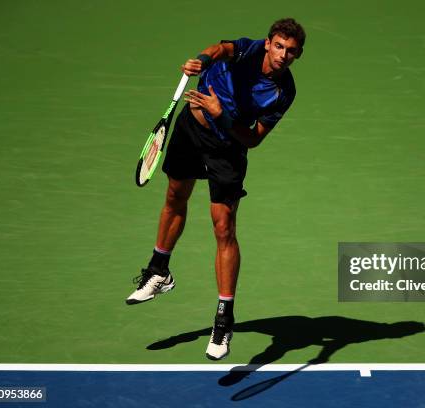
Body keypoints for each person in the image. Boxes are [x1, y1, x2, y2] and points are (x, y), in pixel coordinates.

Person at [125, 18, 306, 361]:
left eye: (292, 51)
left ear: (298, 55)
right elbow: (221, 49)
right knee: (175, 196)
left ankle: (224, 320)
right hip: (190, 130)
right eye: (279, 46)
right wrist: (202, 60)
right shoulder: (250, 49)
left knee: (224, 227)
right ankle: (158, 271)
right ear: (268, 43)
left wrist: (221, 115)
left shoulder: (284, 92)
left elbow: (252, 138)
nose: (283, 55)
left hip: (228, 148)